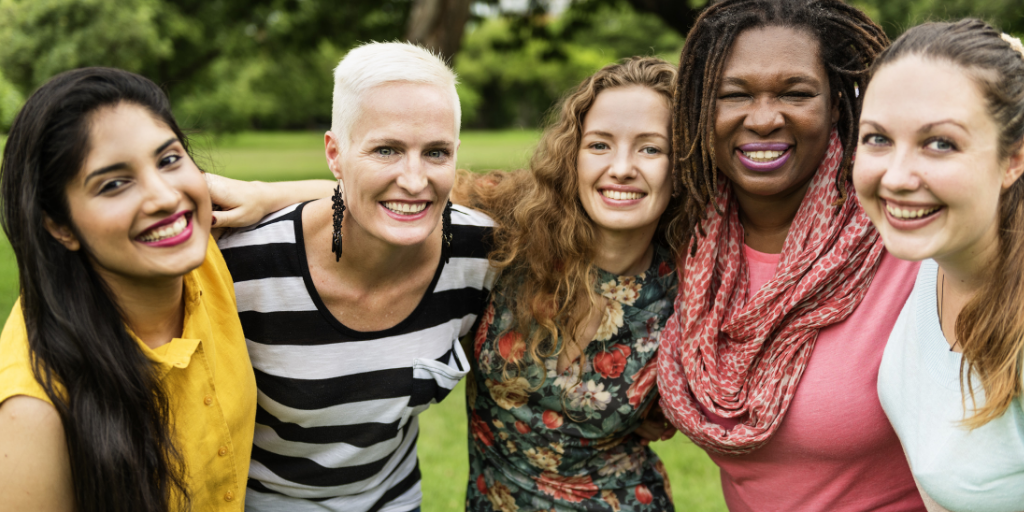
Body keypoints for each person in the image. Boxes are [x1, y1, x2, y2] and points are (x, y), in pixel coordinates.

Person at [655, 0, 928, 510]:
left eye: (796, 93)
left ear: (837, 103)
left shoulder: (906, 243)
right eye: (733, 95)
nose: (763, 119)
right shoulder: (683, 243)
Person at [214, 42, 495, 512]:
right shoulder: (243, 266)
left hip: (396, 500)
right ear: (334, 153)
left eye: (436, 153)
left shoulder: (480, 254)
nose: (413, 178)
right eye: (386, 149)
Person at [0, 67, 257, 512]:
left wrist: (265, 195)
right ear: (59, 226)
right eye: (115, 184)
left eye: (170, 159)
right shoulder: (33, 413)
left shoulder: (200, 251)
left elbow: (361, 205)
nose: (163, 197)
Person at [459, 57, 683, 511]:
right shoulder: (511, 227)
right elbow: (400, 195)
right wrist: (272, 196)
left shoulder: (689, 287)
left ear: (682, 169)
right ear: (572, 156)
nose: (621, 168)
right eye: (600, 145)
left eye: (651, 149)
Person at [853, 19, 1024, 512]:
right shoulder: (934, 256)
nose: (897, 176)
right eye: (878, 138)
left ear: (1012, 160)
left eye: (940, 143)